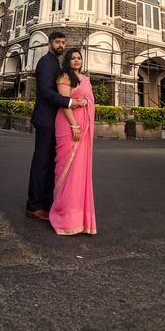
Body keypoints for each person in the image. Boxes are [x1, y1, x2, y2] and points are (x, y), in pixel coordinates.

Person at [26, 32, 87, 221]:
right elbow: (45, 91)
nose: (61, 45)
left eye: (63, 42)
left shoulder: (55, 63)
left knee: (50, 163)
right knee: (42, 163)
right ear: (50, 43)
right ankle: (34, 205)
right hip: (45, 119)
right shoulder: (46, 62)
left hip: (53, 120)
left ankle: (45, 202)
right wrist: (69, 102)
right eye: (57, 42)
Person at [49, 48, 97, 235]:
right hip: (69, 126)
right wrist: (74, 126)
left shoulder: (85, 79)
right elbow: (64, 102)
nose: (76, 61)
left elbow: (89, 100)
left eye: (79, 58)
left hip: (84, 130)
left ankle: (79, 218)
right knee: (66, 169)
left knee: (80, 171)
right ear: (67, 61)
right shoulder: (64, 77)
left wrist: (85, 102)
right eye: (73, 58)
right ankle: (63, 214)